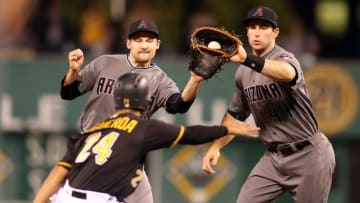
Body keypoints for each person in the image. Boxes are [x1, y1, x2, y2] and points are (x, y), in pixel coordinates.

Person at [34, 19, 207, 203]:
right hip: (93, 150)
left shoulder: (161, 80)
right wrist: (73, 72)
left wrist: (195, 81)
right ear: (128, 43)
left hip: (128, 155)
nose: (144, 45)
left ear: (157, 45)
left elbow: (178, 105)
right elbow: (68, 92)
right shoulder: (104, 63)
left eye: (149, 40)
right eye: (139, 40)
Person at [44, 73, 261, 203]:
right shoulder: (142, 128)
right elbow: (192, 135)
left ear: (117, 99)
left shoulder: (93, 130)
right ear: (146, 102)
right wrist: (226, 129)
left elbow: (58, 173)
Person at [202, 6, 336, 203]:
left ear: (275, 33)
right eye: (252, 27)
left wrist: (247, 58)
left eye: (263, 27)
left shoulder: (284, 58)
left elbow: (288, 73)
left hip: (309, 154)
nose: (256, 32)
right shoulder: (243, 73)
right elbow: (235, 115)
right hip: (273, 159)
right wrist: (216, 146)